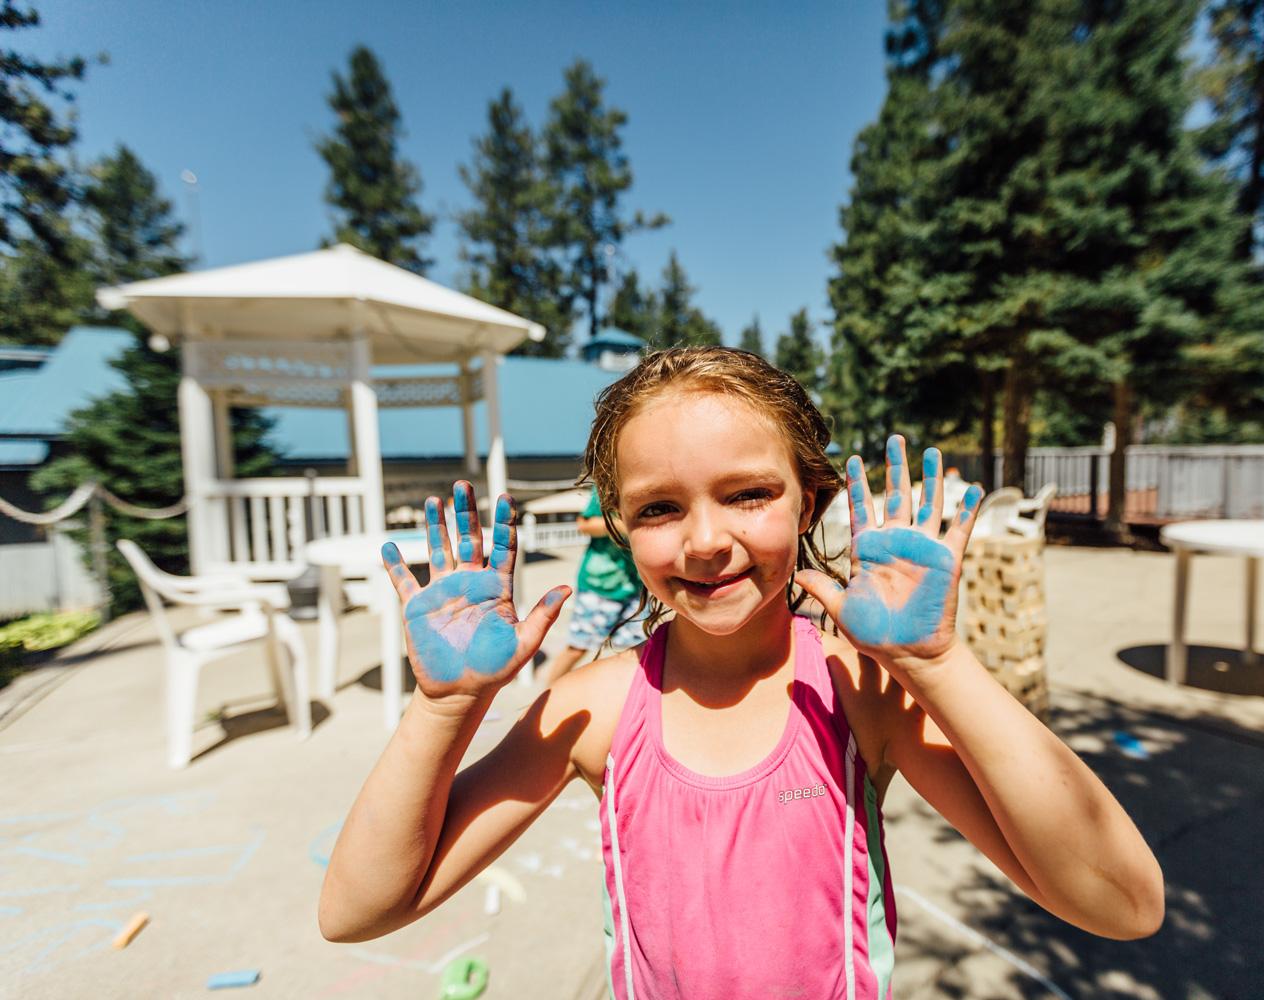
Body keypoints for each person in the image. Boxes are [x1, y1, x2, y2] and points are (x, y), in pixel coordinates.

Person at [319, 347, 1163, 997]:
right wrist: (444, 711)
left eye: (749, 494)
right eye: (659, 507)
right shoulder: (592, 710)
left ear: (811, 500)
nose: (705, 541)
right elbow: (358, 911)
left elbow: (1120, 903)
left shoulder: (861, 696)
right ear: (620, 527)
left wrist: (937, 665)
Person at [539, 486, 647, 686]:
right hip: (600, 584)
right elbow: (585, 524)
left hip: (639, 584)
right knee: (578, 647)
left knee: (635, 649)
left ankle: (626, 698)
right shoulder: (606, 488)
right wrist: (620, 525)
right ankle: (546, 696)